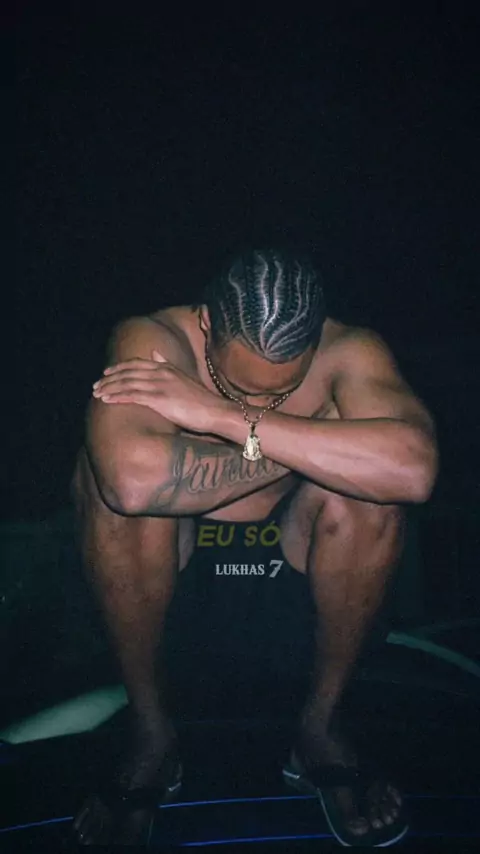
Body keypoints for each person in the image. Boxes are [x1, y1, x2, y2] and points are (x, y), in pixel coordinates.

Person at [71, 247, 438, 847]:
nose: (259, 403)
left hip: (301, 552)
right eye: (239, 387)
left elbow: (412, 472)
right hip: (174, 561)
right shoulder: (155, 340)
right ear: (207, 324)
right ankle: (152, 736)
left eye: (282, 390)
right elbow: (131, 482)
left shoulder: (350, 350)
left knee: (372, 496)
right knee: (106, 487)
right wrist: (317, 441)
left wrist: (223, 416)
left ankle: (321, 729)